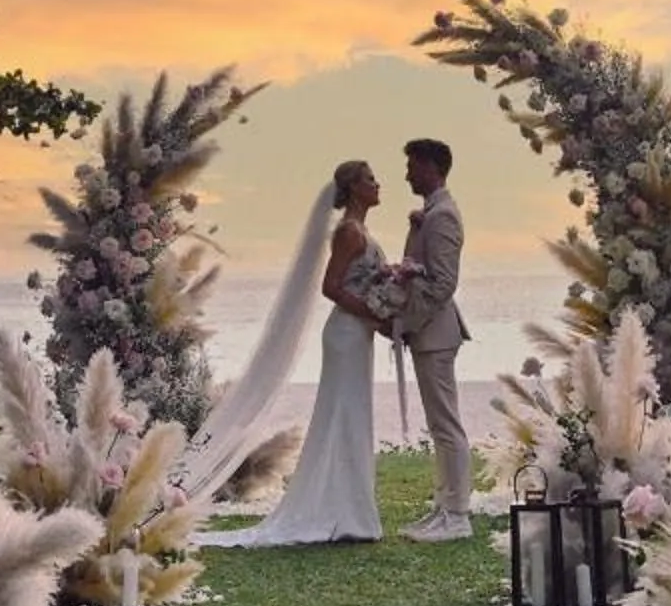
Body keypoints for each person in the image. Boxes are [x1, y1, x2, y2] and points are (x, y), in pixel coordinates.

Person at [196, 159, 390, 546]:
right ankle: (345, 513)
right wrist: (374, 311)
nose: (378, 184)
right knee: (343, 415)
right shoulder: (349, 233)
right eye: (370, 179)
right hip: (347, 334)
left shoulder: (362, 231)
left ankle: (349, 507)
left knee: (350, 415)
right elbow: (331, 287)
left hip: (358, 335)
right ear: (353, 187)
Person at [396, 137, 473, 541]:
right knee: (438, 424)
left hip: (436, 333)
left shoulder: (442, 215)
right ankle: (444, 507)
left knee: (446, 425)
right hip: (430, 334)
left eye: (412, 165)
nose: (407, 173)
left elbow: (442, 284)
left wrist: (408, 321)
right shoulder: (431, 213)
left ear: (431, 167)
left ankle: (458, 514)